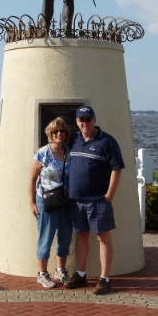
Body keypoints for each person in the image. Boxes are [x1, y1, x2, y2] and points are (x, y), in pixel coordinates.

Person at [64, 106, 124, 295]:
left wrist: (109, 195)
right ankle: (81, 274)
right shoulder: (73, 139)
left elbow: (117, 168)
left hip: (98, 200)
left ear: (94, 119)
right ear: (76, 121)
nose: (85, 122)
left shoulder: (107, 141)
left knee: (102, 238)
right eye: (81, 119)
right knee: (81, 237)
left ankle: (104, 278)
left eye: (88, 119)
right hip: (76, 200)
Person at [28, 117, 73, 288]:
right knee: (45, 237)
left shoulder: (70, 153)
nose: (59, 134)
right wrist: (32, 202)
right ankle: (42, 274)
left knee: (65, 236)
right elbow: (32, 179)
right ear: (50, 134)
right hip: (46, 201)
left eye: (62, 131)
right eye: (56, 131)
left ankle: (60, 270)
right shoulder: (42, 154)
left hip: (66, 201)